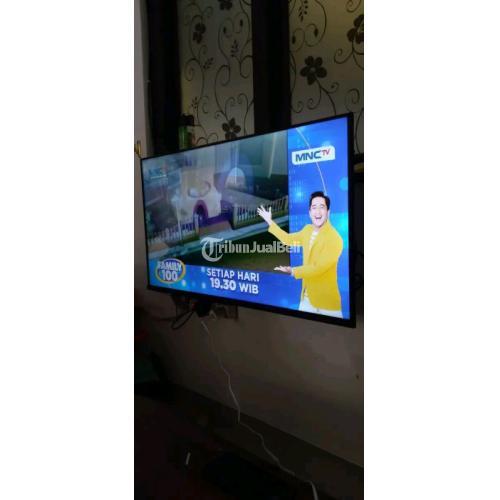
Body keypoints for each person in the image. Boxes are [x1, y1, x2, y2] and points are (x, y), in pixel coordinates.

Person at [257, 191, 343, 318]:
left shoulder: (335, 239)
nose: (317, 212)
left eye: (322, 207)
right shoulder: (307, 230)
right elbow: (288, 239)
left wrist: (293, 271)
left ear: (328, 212)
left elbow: (318, 268)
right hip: (306, 299)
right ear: (309, 212)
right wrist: (270, 221)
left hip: (327, 304)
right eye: (314, 207)